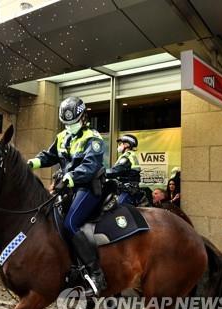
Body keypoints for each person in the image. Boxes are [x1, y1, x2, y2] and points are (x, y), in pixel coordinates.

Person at [27, 96, 106, 296]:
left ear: (83, 117)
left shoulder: (93, 138)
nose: (70, 126)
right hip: (67, 189)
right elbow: (49, 156)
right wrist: (32, 163)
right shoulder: (62, 136)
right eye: (66, 123)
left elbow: (90, 166)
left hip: (87, 188)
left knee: (70, 223)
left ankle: (96, 273)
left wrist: (70, 177)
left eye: (74, 122)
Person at [106, 134, 142, 205]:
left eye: (120, 144)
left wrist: (102, 173)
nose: (118, 146)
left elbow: (116, 171)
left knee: (117, 210)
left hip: (128, 190)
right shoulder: (130, 155)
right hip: (128, 189)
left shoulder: (127, 156)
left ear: (126, 144)